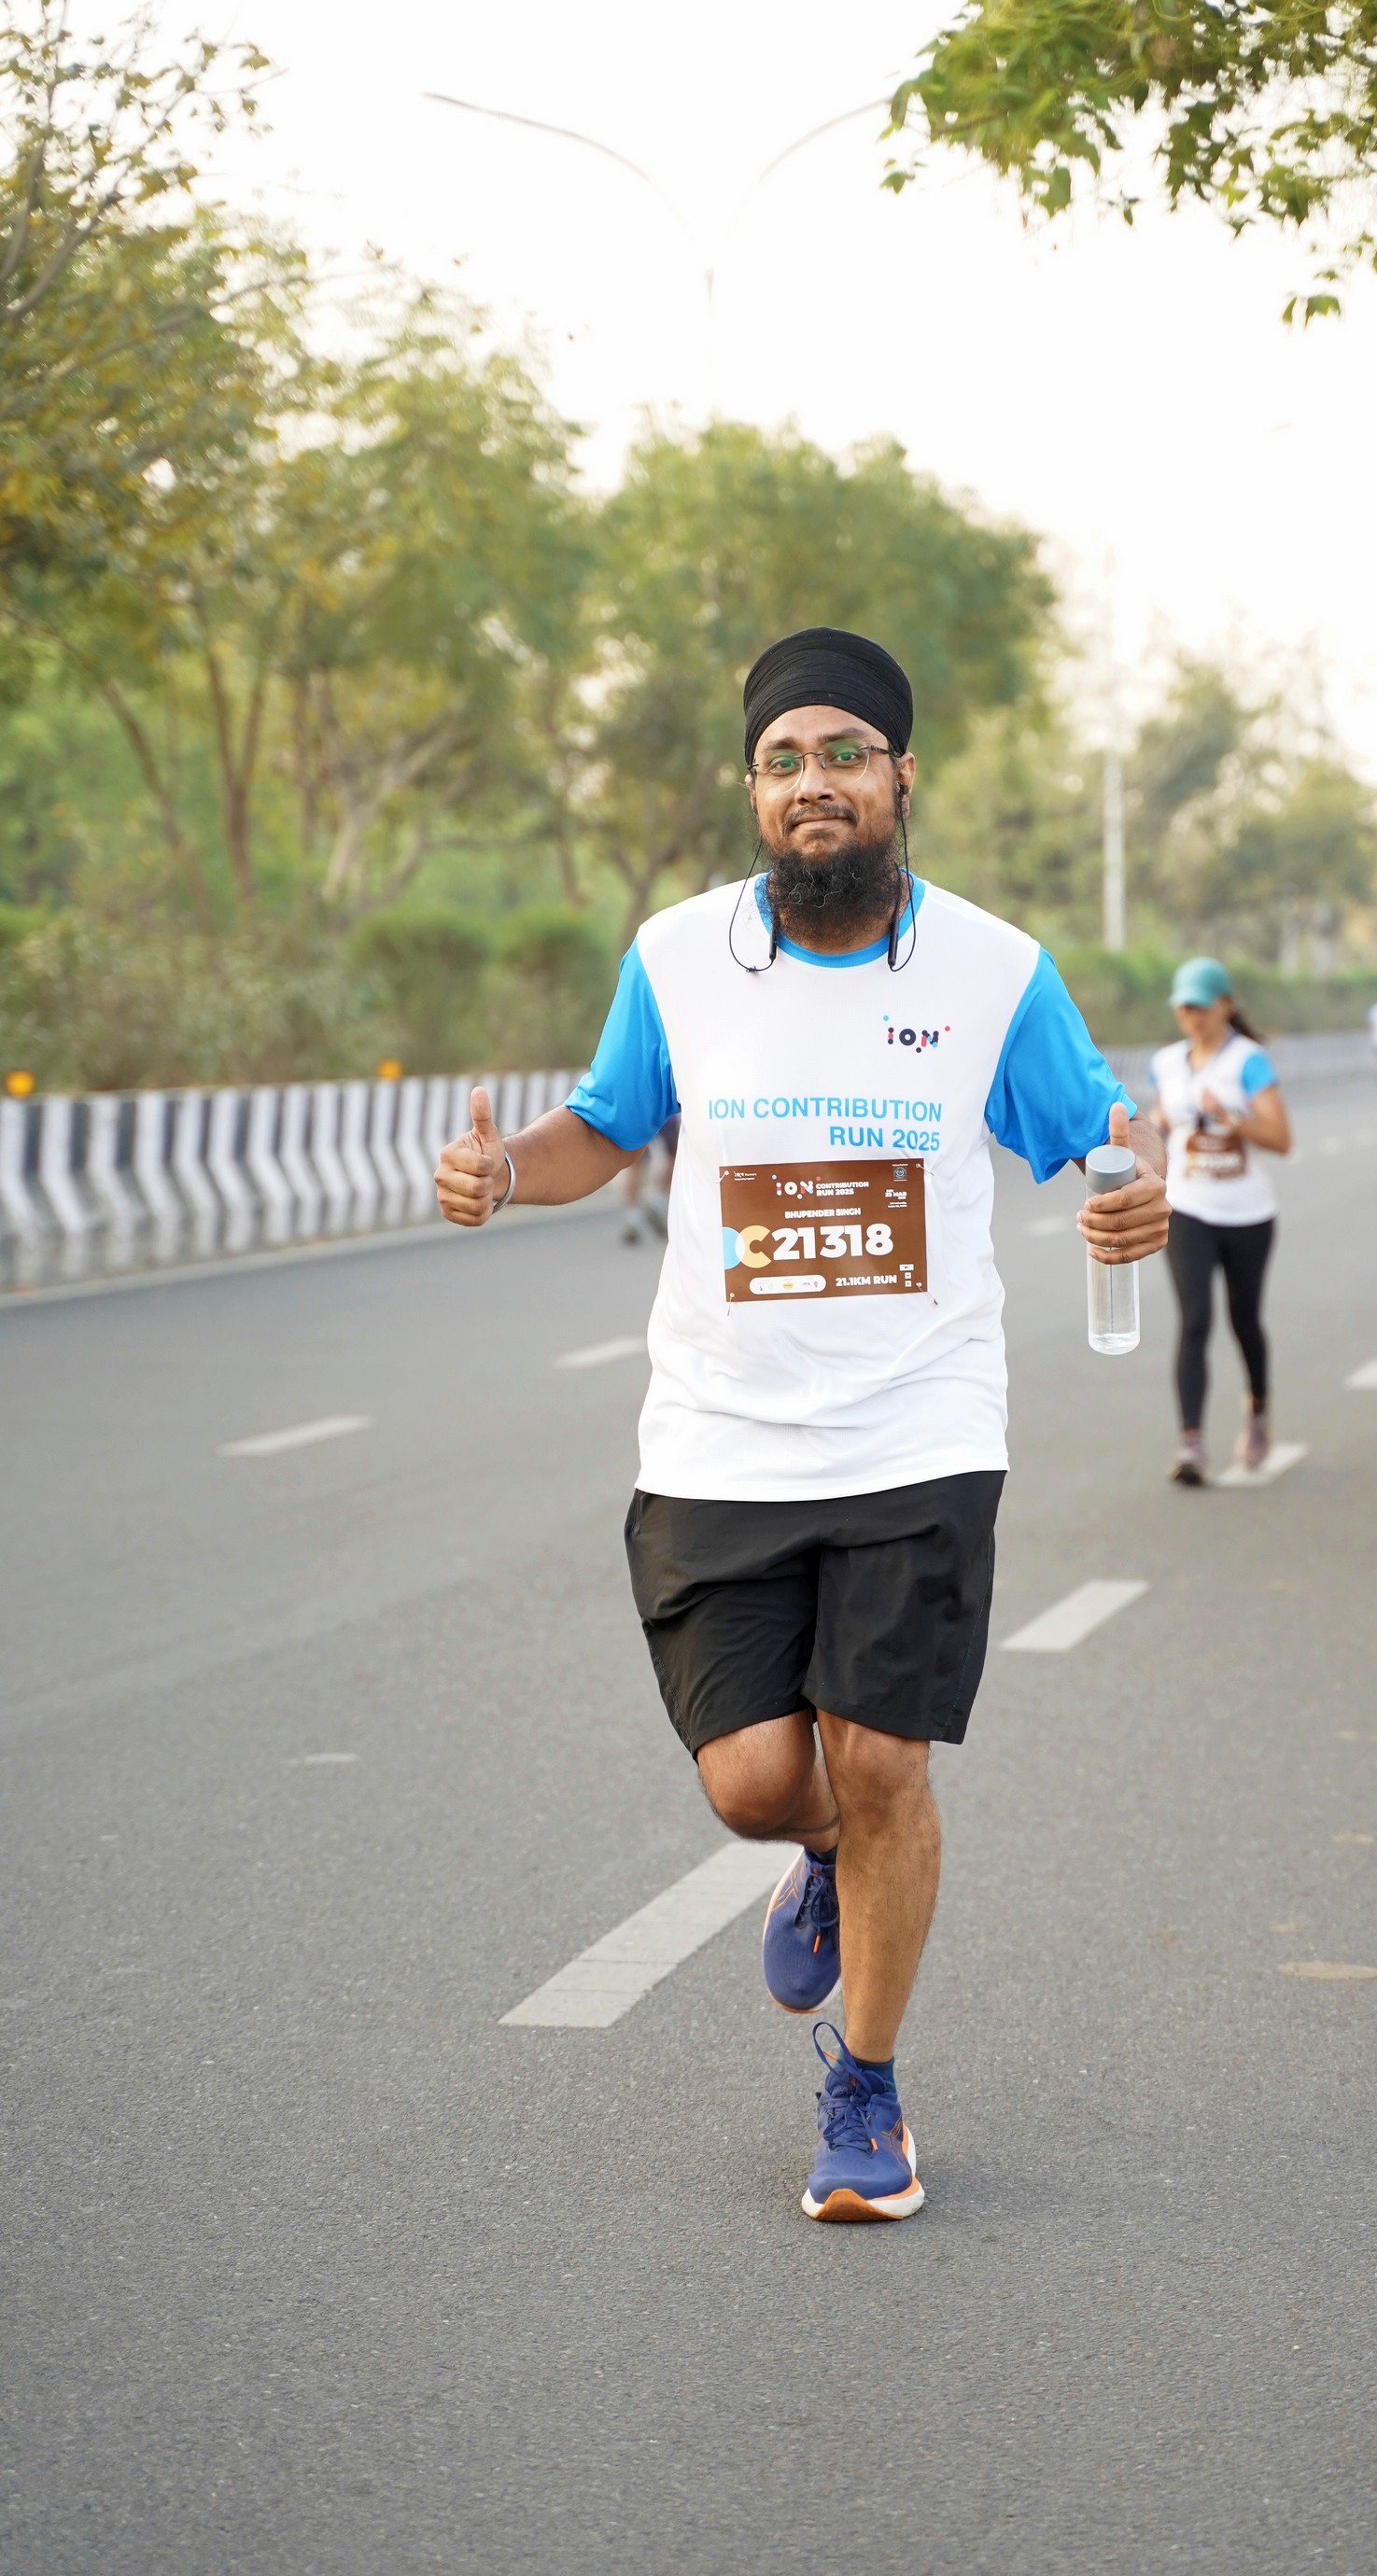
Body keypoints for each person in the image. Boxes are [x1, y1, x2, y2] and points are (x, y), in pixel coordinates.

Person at [434, 627, 1170, 2222]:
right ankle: (821, 1850)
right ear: (755, 791)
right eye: (783, 760)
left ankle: (868, 2090)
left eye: (844, 753)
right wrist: (505, 1174)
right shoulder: (679, 956)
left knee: (886, 1757)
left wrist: (1143, 1187)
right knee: (758, 1782)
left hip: (920, 1431)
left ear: (901, 777)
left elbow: (1107, 1131)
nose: (812, 782)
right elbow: (604, 1127)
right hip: (718, 1438)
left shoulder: (995, 969)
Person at [1149, 957, 1292, 1486]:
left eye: (1202, 1007)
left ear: (1226, 1005)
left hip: (1247, 1213)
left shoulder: (1248, 1061)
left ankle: (1257, 1411)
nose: (1192, 1017)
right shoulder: (1166, 1063)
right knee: (1195, 1321)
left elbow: (1281, 1138)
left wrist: (1233, 1120)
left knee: (1244, 1321)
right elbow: (1158, 1123)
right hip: (1188, 1208)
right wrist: (1156, 1128)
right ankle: (1191, 1444)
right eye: (1184, 1007)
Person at [620, 1113, 680, 1243]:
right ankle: (656, 1202)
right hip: (665, 1113)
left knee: (635, 1164)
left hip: (638, 1113)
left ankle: (633, 1218)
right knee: (673, 1157)